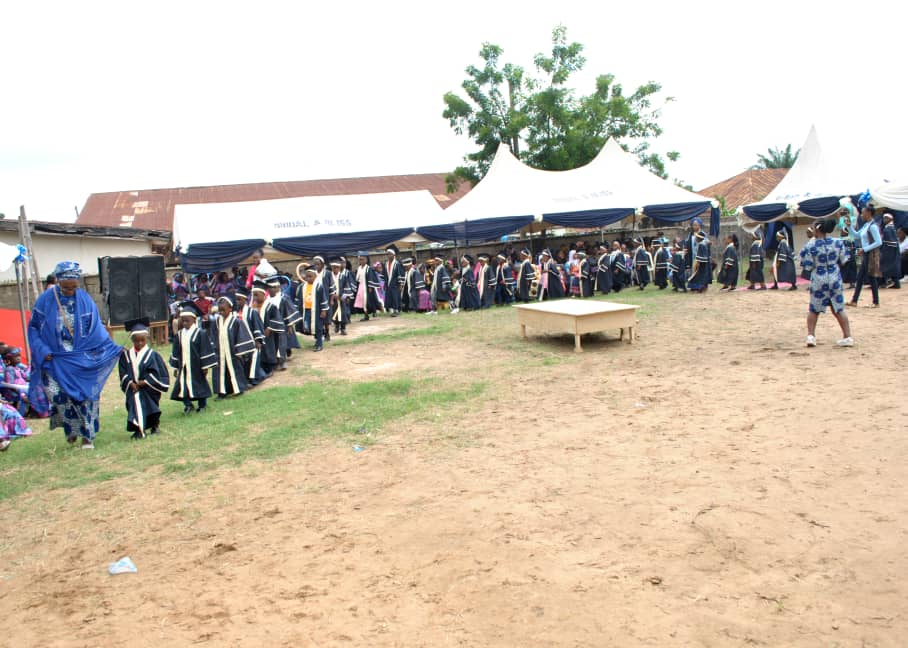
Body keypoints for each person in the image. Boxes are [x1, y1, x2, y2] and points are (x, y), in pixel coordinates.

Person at [28, 261, 121, 450]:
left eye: (73, 287)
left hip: (80, 359)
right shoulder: (45, 301)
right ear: (58, 282)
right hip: (54, 359)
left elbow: (96, 329)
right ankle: (71, 427)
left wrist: (112, 348)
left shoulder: (86, 300)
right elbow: (34, 329)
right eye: (66, 287)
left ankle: (87, 436)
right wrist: (42, 350)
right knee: (57, 395)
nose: (70, 290)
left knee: (86, 396)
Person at [799, 218, 853, 347]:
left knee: (814, 309)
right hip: (835, 278)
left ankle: (811, 336)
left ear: (817, 229)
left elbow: (807, 265)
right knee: (838, 308)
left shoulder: (810, 246)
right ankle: (847, 336)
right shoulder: (838, 242)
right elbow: (844, 260)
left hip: (818, 278)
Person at [118, 318, 170, 439]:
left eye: (142, 340)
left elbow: (158, 373)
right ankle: (138, 429)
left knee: (152, 408)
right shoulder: (126, 356)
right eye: (137, 341)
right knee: (133, 407)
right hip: (133, 388)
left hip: (148, 388)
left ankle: (154, 426)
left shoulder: (153, 355)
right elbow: (123, 372)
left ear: (147, 338)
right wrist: (130, 383)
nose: (140, 343)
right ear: (132, 340)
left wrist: (145, 382)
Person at [170, 301, 216, 414]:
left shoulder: (200, 333)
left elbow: (205, 349)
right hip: (184, 366)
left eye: (187, 321)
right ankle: (188, 405)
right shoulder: (179, 334)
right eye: (183, 321)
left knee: (200, 385)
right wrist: (175, 367)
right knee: (182, 386)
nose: (185, 323)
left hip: (197, 366)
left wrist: (205, 366)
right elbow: (176, 351)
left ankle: (202, 405)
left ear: (194, 320)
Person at [211, 296, 256, 397]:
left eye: (223, 310)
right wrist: (214, 350)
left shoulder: (236, 322)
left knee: (235, 370)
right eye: (219, 310)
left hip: (233, 353)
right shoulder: (216, 322)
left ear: (230, 309)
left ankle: (238, 389)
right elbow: (213, 337)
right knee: (220, 372)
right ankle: (222, 392)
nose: (221, 312)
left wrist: (240, 351)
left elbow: (241, 336)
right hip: (220, 353)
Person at [847, 207, 882, 307]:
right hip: (867, 254)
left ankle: (875, 302)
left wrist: (865, 249)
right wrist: (849, 227)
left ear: (869, 213)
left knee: (870, 277)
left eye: (863, 213)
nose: (861, 215)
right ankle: (855, 300)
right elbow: (856, 235)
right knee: (862, 277)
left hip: (871, 254)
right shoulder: (866, 225)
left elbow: (879, 242)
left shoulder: (873, 226)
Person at [234, 287, 269, 385]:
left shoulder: (251, 312)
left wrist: (258, 340)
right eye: (236, 299)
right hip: (240, 342)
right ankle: (252, 378)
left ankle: (255, 379)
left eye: (239, 300)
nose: (237, 302)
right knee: (244, 362)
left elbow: (257, 326)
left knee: (253, 361)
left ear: (245, 300)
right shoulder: (234, 314)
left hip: (252, 341)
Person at [3, 347, 49, 417]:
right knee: (36, 391)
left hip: (24, 387)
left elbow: (26, 377)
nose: (18, 358)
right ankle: (40, 412)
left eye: (19, 356)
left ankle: (40, 411)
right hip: (16, 391)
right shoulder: (9, 369)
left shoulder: (17, 368)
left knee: (39, 388)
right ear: (8, 359)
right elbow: (10, 385)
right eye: (15, 356)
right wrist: (21, 393)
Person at [252, 279, 284, 373]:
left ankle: (270, 367)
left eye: (256, 295)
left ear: (263, 295)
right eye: (253, 295)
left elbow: (277, 318)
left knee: (268, 350)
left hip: (268, 333)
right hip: (257, 334)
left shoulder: (270, 306)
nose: (254, 297)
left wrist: (270, 327)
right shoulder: (252, 308)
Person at [267, 276, 301, 362]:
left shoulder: (283, 298)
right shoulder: (267, 299)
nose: (272, 289)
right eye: (270, 287)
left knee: (285, 340)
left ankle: (284, 356)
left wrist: (289, 325)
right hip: (272, 324)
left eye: (274, 287)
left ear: (278, 287)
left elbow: (288, 311)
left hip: (284, 323)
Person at [299, 266, 330, 352]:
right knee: (307, 326)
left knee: (318, 327)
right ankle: (317, 339)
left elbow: (323, 298)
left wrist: (324, 310)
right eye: (307, 276)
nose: (308, 278)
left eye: (310, 276)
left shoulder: (319, 286)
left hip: (317, 311)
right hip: (306, 310)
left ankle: (319, 344)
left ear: (315, 276)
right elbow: (300, 299)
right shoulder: (303, 286)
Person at [354, 254, 383, 321]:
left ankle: (374, 311)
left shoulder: (368, 268)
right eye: (360, 260)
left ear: (366, 260)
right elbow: (357, 278)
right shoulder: (359, 268)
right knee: (362, 302)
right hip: (361, 287)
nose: (361, 261)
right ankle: (366, 315)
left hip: (367, 287)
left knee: (370, 301)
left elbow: (370, 277)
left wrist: (370, 287)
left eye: (363, 259)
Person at [880, 214, 901, 289]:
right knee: (892, 266)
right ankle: (895, 283)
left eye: (886, 218)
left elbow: (891, 241)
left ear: (890, 219)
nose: (884, 219)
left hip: (889, 250)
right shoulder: (890, 227)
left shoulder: (888, 228)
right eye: (884, 218)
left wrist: (884, 246)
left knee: (887, 266)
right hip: (891, 249)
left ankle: (889, 281)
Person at [382, 248, 403, 317]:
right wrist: (385, 284)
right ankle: (393, 310)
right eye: (387, 254)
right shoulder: (386, 264)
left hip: (395, 284)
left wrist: (400, 284)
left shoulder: (397, 264)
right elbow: (384, 274)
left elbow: (399, 274)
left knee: (395, 297)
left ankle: (396, 310)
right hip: (388, 284)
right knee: (390, 297)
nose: (388, 256)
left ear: (394, 255)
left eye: (390, 254)